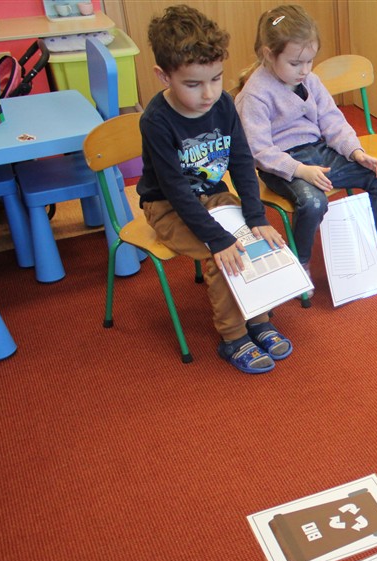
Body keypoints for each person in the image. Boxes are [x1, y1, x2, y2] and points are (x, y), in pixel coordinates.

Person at [138, 5, 291, 374]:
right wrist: (217, 239)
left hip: (213, 195)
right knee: (223, 256)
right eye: (193, 84)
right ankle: (233, 336)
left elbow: (241, 161)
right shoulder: (156, 121)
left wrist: (256, 217)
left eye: (216, 79)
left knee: (253, 239)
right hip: (166, 206)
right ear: (164, 76)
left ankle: (257, 318)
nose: (208, 93)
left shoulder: (223, 104)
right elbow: (175, 190)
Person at [235, 5, 377, 284]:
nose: (305, 70)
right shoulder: (254, 95)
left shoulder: (311, 80)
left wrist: (356, 152)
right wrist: (301, 171)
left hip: (318, 152)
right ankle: (301, 262)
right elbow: (260, 151)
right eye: (296, 63)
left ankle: (364, 247)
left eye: (310, 61)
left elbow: (332, 121)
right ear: (269, 55)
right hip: (282, 165)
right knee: (313, 202)